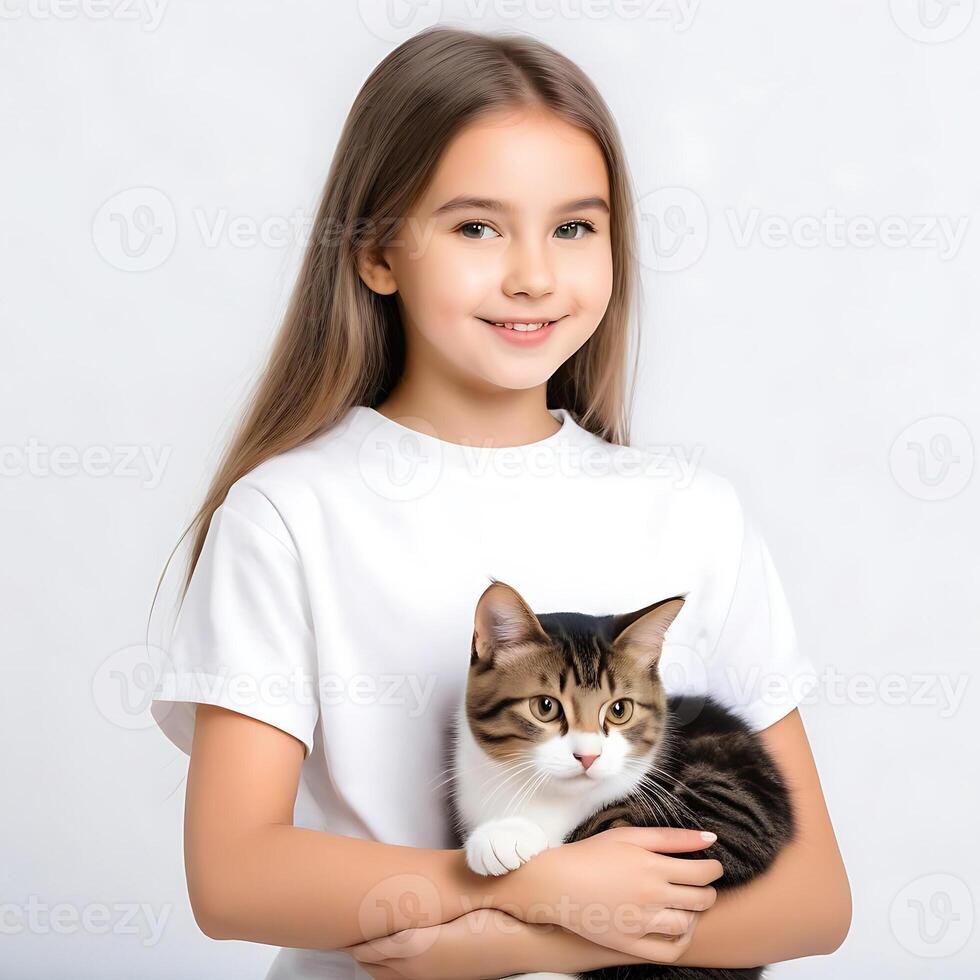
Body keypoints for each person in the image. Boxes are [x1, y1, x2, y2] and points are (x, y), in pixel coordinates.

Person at [149, 25, 851, 980]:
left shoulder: (691, 511)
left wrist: (505, 938)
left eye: (575, 226)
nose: (533, 273)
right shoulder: (290, 513)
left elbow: (814, 904)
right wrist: (536, 885)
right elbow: (234, 878)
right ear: (377, 253)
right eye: (477, 225)